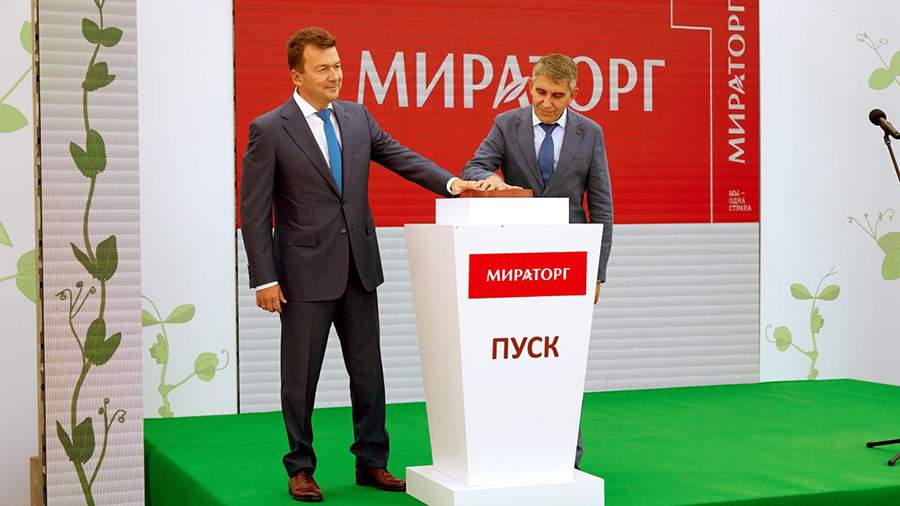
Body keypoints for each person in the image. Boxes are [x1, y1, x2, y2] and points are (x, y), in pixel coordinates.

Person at [240, 26, 483, 502]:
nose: (335, 75)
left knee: (369, 373)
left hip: (359, 268)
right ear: (297, 75)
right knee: (300, 379)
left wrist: (453, 184)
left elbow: (400, 156)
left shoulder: (356, 117)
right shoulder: (269, 129)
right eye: (322, 68)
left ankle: (372, 461)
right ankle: (300, 467)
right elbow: (253, 212)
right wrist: (264, 278)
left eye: (337, 65)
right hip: (302, 275)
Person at [460, 53, 613, 468]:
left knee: (564, 358)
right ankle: (511, 446)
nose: (546, 102)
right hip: (514, 262)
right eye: (541, 92)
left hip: (569, 264)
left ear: (574, 94)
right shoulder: (506, 124)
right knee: (513, 355)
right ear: (530, 86)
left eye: (557, 96)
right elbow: (473, 166)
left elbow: (601, 205)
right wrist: (491, 180)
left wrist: (596, 273)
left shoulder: (590, 133)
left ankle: (568, 455)